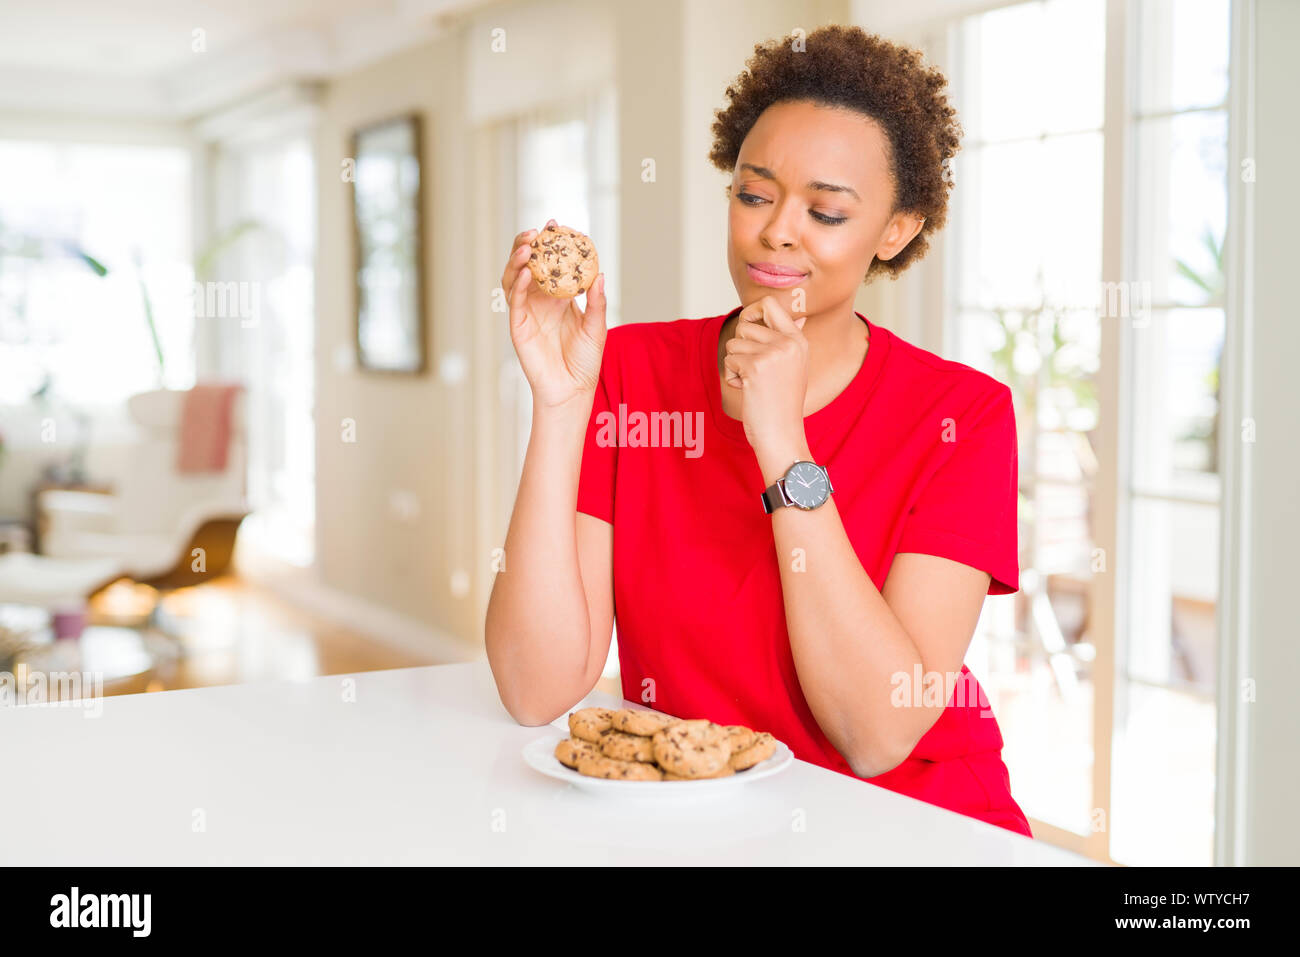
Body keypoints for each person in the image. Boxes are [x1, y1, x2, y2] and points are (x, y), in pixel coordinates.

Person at [486, 24, 1031, 838]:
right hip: (705, 824)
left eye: (827, 210)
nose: (779, 230)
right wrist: (562, 408)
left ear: (896, 231)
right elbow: (536, 686)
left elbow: (878, 734)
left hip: (916, 826)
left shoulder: (965, 416)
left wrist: (782, 443)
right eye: (754, 194)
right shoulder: (630, 371)